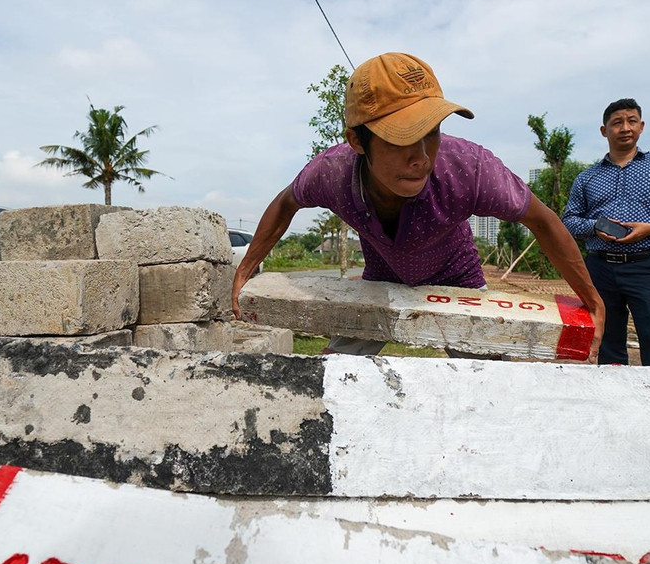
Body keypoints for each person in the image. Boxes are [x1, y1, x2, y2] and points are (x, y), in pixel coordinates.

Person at [230, 51, 604, 358]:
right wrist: (245, 270)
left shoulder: (469, 168)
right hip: (382, 276)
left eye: (432, 132)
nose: (422, 157)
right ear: (357, 141)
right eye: (401, 138)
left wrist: (592, 300)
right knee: (334, 375)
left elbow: (543, 220)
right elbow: (285, 203)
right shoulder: (332, 173)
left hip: (457, 278)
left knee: (488, 379)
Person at [562, 98, 650, 366]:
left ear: (641, 126)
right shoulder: (587, 177)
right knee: (607, 345)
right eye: (617, 122)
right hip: (599, 269)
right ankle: (614, 401)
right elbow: (569, 220)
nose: (625, 128)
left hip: (646, 266)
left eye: (631, 121)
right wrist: (595, 228)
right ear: (604, 130)